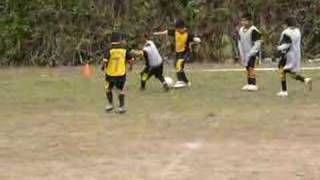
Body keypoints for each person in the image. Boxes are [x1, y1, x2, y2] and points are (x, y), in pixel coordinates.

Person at [153, 19, 201, 88]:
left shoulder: (187, 34)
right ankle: (186, 81)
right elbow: (167, 32)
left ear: (182, 27)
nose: (176, 29)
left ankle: (180, 81)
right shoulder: (175, 31)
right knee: (176, 65)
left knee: (179, 64)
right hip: (178, 53)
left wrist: (196, 39)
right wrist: (158, 33)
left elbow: (194, 39)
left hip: (185, 52)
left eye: (177, 28)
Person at [276, 17, 312, 97]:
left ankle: (284, 91)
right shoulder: (297, 31)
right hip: (296, 54)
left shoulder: (286, 32)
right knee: (290, 72)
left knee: (282, 70)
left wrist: (278, 48)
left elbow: (286, 44)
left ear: (286, 24)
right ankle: (305, 80)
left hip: (288, 55)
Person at [101, 32, 133, 114]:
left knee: (108, 89)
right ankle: (121, 107)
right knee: (120, 90)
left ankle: (110, 105)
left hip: (110, 74)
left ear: (111, 40)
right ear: (119, 40)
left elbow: (105, 61)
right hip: (121, 73)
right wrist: (130, 66)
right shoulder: (124, 49)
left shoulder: (109, 49)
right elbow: (131, 59)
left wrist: (102, 67)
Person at [238, 13, 262, 91]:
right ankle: (249, 83)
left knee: (251, 67)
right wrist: (241, 53)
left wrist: (251, 52)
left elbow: (257, 43)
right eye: (242, 20)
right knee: (247, 67)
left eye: (245, 21)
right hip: (245, 53)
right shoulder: (241, 30)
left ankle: (253, 84)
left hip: (253, 53)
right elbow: (240, 42)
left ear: (250, 21)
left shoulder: (254, 30)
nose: (243, 22)